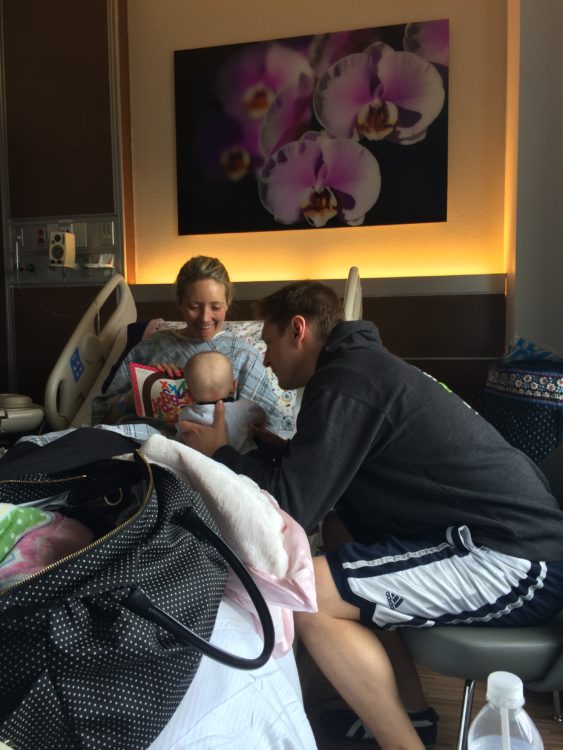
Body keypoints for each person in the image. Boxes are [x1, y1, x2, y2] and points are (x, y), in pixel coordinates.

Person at [177, 280, 563, 750]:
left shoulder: (346, 381)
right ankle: (413, 714)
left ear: (297, 330)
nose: (264, 358)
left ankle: (403, 744)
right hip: (498, 539)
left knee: (307, 596)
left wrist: (220, 453)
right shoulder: (359, 369)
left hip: (514, 557)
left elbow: (294, 503)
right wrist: (272, 448)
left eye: (268, 341)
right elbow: (324, 472)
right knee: (341, 534)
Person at [91, 256, 283, 433]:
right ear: (180, 302)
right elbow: (100, 422)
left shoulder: (243, 356)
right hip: (135, 447)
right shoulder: (150, 347)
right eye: (194, 306)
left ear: (228, 302)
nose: (205, 317)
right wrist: (138, 394)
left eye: (215, 307)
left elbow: (270, 430)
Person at [176, 351, 267, 453]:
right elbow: (263, 418)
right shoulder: (245, 408)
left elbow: (180, 437)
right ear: (234, 385)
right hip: (240, 463)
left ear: (190, 395)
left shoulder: (185, 414)